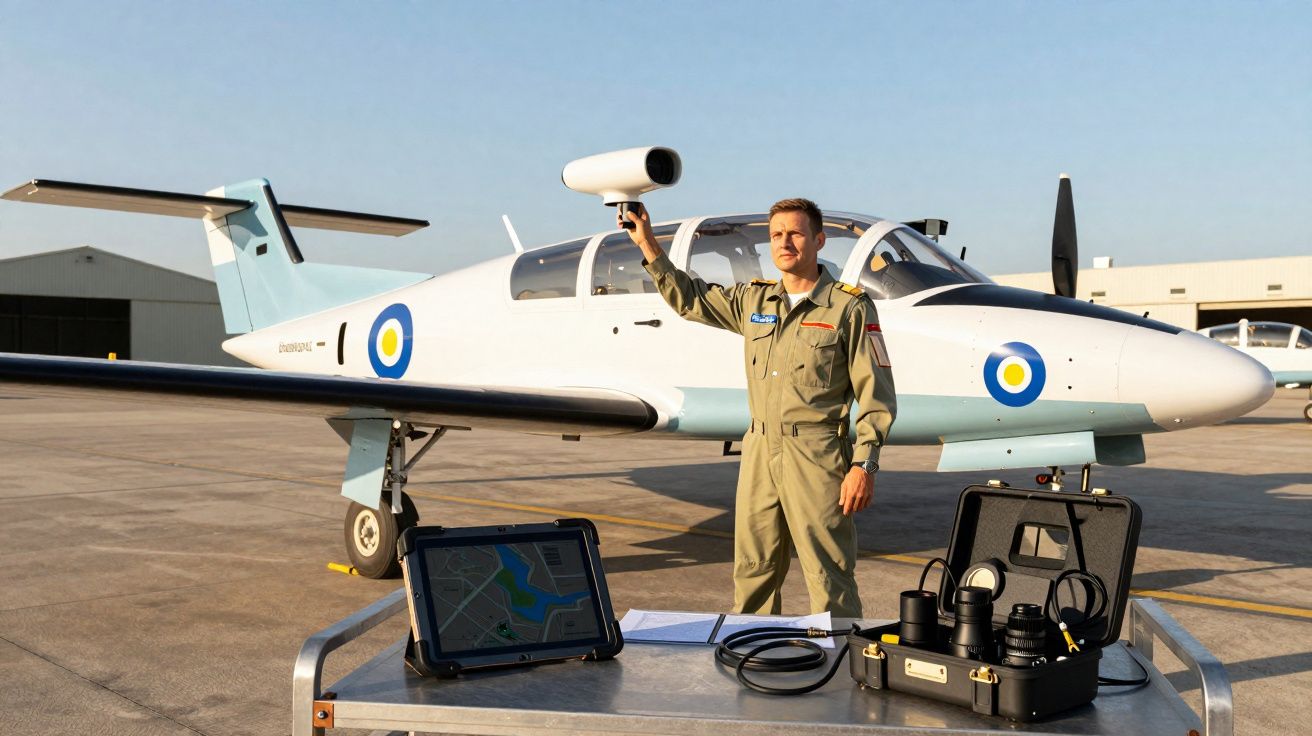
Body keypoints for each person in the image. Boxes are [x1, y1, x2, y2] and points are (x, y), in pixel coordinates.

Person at [622, 198, 896, 617]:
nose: (785, 242)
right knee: (754, 567)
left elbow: (876, 396)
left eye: (796, 233)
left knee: (828, 570)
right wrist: (648, 245)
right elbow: (690, 299)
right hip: (759, 451)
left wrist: (864, 466)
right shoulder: (755, 302)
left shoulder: (849, 308)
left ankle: (841, 663)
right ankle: (750, 651)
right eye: (777, 235)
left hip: (817, 454)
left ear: (819, 240)